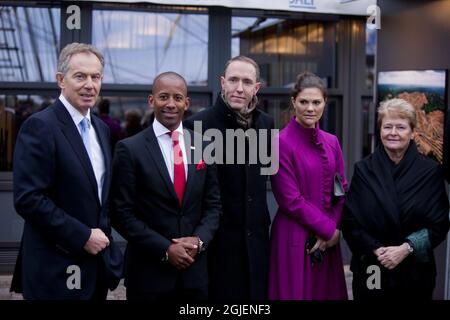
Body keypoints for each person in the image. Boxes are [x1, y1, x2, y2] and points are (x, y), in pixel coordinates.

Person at [10, 42, 123, 300]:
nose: (89, 84)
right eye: (80, 76)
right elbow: (28, 199)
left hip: (95, 271)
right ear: (60, 80)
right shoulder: (39, 126)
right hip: (55, 271)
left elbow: (98, 197)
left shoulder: (101, 129)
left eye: (95, 77)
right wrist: (82, 235)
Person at [110, 71, 221, 301]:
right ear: (151, 101)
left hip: (195, 274)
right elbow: (121, 213)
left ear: (186, 103)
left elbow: (213, 206)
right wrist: (165, 249)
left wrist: (198, 241)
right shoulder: (129, 149)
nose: (171, 104)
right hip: (149, 275)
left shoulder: (204, 145)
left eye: (177, 98)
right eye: (163, 97)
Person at [185, 55, 274, 300]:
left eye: (246, 82)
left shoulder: (267, 124)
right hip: (216, 246)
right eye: (233, 80)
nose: (239, 88)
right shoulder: (195, 126)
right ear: (222, 83)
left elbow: (265, 177)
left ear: (256, 88)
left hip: (257, 244)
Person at [342, 98, 450, 300]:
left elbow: (440, 224)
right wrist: (376, 249)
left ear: (412, 133)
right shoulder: (363, 170)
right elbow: (350, 222)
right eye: (387, 126)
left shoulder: (430, 172)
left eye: (400, 127)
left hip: (415, 273)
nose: (393, 132)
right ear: (379, 130)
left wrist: (406, 248)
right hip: (372, 268)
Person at [268, 71, 348, 300]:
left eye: (316, 102)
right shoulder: (278, 143)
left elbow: (340, 190)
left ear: (325, 102)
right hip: (293, 237)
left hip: (327, 238)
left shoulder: (332, 141)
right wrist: (329, 230)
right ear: (293, 102)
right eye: (304, 102)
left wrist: (333, 229)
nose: (310, 108)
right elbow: (289, 200)